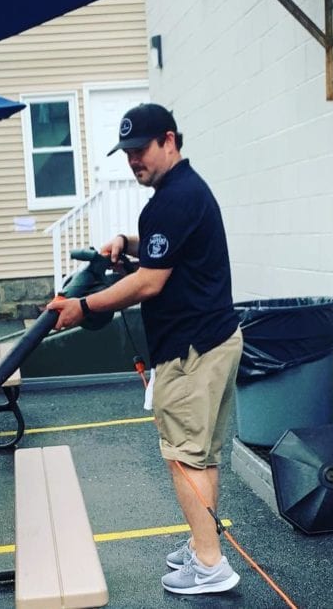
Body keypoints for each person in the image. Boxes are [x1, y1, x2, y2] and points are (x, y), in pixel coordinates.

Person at [47, 103, 242, 595]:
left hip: (191, 351)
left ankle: (210, 564)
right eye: (128, 153)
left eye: (141, 149)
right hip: (215, 340)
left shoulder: (173, 199)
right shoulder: (184, 192)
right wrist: (126, 241)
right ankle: (202, 544)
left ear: (169, 141)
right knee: (201, 454)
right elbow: (164, 247)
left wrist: (83, 306)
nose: (134, 160)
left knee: (184, 456)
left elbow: (150, 282)